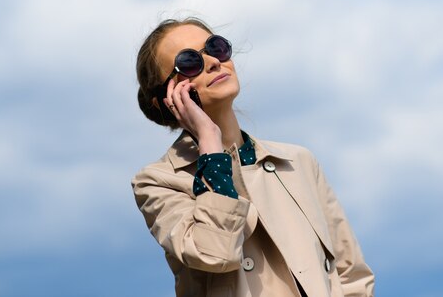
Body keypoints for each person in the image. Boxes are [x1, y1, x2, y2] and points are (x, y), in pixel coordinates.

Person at [132, 17, 374, 297]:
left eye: (216, 47)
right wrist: (210, 143)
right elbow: (215, 254)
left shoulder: (299, 161)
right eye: (189, 63)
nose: (212, 61)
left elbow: (352, 276)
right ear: (166, 98)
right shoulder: (158, 182)